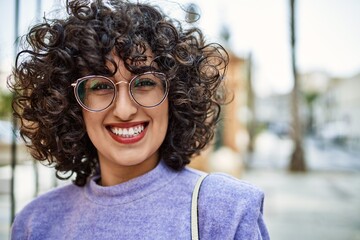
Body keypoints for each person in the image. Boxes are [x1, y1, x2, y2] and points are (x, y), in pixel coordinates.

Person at [9, 0, 270, 239]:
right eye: (100, 86)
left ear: (175, 97)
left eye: (144, 82)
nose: (124, 110)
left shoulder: (226, 212)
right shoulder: (36, 223)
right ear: (72, 105)